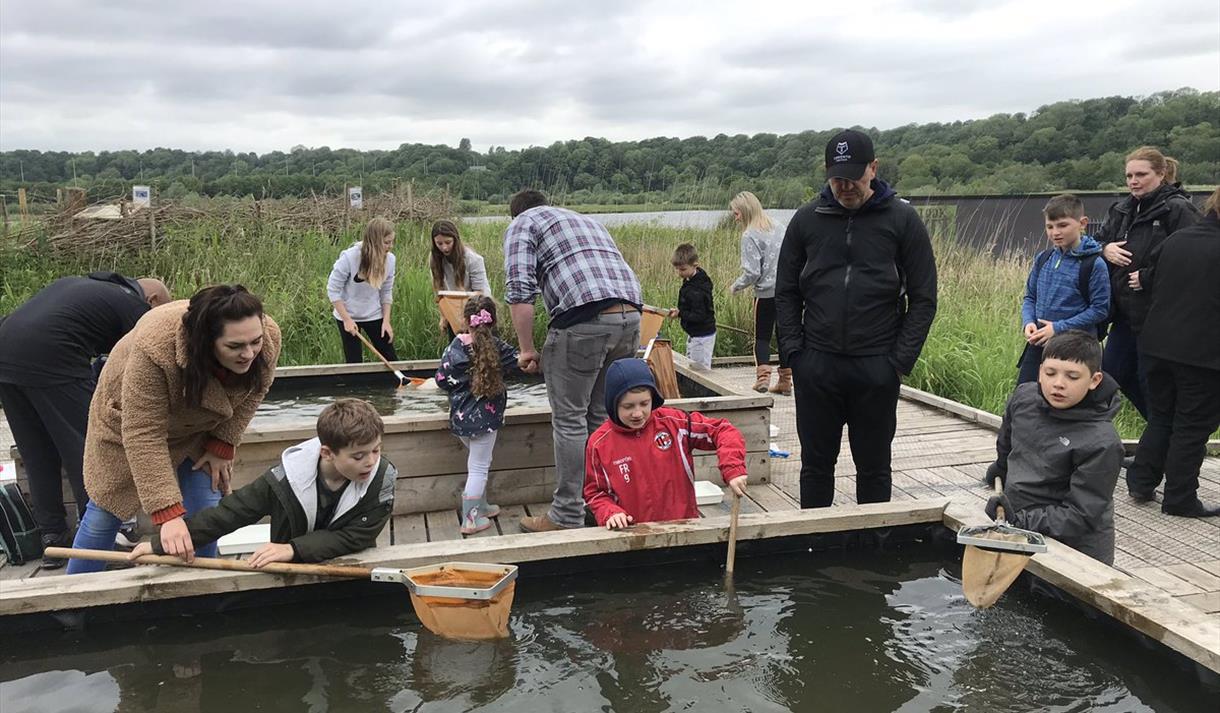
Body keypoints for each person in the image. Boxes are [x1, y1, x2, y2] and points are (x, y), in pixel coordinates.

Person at [66, 285, 282, 574]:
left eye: (253, 342)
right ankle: (73, 603)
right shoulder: (155, 347)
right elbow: (144, 432)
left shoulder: (266, 338)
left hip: (199, 427)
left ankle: (201, 591)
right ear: (206, 340)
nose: (249, 353)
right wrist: (167, 514)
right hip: (126, 423)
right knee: (106, 509)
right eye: (235, 347)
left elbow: (256, 390)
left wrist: (222, 443)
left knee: (205, 511)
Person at [775, 129, 938, 508]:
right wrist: (796, 355)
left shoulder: (902, 220)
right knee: (815, 465)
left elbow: (924, 298)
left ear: (873, 168)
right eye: (836, 177)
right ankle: (813, 548)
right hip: (817, 363)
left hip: (876, 364)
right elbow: (785, 292)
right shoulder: (806, 220)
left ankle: (873, 554)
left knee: (874, 467)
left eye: (852, 175)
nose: (844, 185)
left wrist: (898, 363)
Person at [0, 272, 170, 567]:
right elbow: (148, 363)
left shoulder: (88, 287)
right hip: (52, 356)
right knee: (89, 449)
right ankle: (102, 537)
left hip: (5, 355)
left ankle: (52, 537)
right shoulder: (134, 307)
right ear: (152, 300)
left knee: (37, 453)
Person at [502, 189, 643, 532]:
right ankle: (602, 505)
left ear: (515, 213)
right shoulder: (585, 220)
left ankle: (566, 514)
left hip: (584, 320)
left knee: (569, 420)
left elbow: (520, 291)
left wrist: (526, 349)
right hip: (631, 316)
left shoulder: (523, 222)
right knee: (599, 416)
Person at [129, 398, 396, 565]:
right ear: (327, 452)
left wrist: (292, 549)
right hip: (290, 574)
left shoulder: (381, 480)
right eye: (359, 456)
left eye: (376, 450)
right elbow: (231, 513)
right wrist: (159, 545)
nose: (371, 462)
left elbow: (355, 537)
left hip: (350, 568)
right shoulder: (285, 478)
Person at [983, 331, 1123, 565]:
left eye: (1072, 376)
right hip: (1021, 528)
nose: (1058, 384)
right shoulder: (1023, 398)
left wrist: (1018, 520)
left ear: (1094, 380)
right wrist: (1000, 469)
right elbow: (1006, 445)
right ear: (1040, 372)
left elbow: (1082, 515)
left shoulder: (1103, 442)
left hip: (1075, 548)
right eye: (1050, 373)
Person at [1125, 187, 1220, 517]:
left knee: (1163, 416)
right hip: (1202, 354)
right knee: (1192, 426)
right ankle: (1180, 498)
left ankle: (1140, 480)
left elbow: (1147, 280)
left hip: (1156, 345)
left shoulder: (1177, 239)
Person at [1096, 147, 1200, 417]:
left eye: (1141, 174)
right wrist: (1104, 249)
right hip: (1123, 313)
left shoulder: (1177, 209)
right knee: (1113, 371)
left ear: (1161, 173)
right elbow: (1094, 241)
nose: (1133, 181)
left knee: (1151, 381)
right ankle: (1164, 434)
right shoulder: (1121, 209)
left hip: (1159, 314)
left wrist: (1147, 276)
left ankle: (1167, 443)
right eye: (1129, 175)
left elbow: (1193, 257)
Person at [584, 358, 748, 529]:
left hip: (685, 528)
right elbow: (595, 493)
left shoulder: (674, 423)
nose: (638, 413)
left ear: (652, 399)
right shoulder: (599, 444)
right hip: (632, 535)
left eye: (644, 404)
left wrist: (733, 469)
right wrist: (610, 512)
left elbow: (722, 430)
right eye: (628, 406)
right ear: (612, 404)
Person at [434, 296, 521, 534]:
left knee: (477, 463)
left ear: (465, 321)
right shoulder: (498, 347)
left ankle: (480, 505)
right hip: (485, 421)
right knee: (479, 467)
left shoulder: (455, 347)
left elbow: (441, 380)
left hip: (461, 420)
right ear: (493, 321)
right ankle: (470, 519)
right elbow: (520, 363)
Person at [1016, 194, 1110, 384]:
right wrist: (1028, 322)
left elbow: (1100, 309)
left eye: (1063, 225)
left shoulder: (1093, 263)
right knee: (1023, 398)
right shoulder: (1043, 258)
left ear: (1082, 223)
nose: (1055, 232)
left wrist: (1058, 328)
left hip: (1075, 348)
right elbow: (1030, 297)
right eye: (1050, 227)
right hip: (1039, 342)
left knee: (1065, 404)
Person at [729, 191, 789, 394]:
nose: (735, 218)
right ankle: (786, 380)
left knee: (762, 336)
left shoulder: (749, 235)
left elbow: (753, 272)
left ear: (744, 212)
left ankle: (762, 379)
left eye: (736, 214)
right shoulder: (778, 226)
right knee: (784, 335)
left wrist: (736, 286)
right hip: (786, 291)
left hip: (764, 294)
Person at [328, 217, 398, 363]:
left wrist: (386, 321)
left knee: (390, 357)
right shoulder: (349, 258)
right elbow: (333, 289)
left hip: (374, 313)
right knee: (354, 362)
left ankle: (396, 383)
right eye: (386, 242)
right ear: (374, 242)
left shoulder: (390, 260)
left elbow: (386, 292)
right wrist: (347, 320)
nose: (390, 246)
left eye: (392, 242)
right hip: (348, 315)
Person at [430, 219, 492, 339]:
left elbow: (481, 293)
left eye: (448, 242)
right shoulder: (435, 259)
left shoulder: (473, 259)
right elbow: (440, 293)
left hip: (479, 311)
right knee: (457, 352)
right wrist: (444, 316)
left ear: (455, 239)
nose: (444, 248)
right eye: (439, 243)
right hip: (454, 313)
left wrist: (468, 318)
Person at [669, 243, 716, 369]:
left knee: (700, 369)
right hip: (694, 333)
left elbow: (699, 315)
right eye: (678, 269)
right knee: (692, 364)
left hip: (702, 336)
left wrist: (681, 314)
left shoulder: (698, 290)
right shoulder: (690, 280)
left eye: (683, 269)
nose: (680, 273)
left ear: (695, 265)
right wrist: (680, 311)